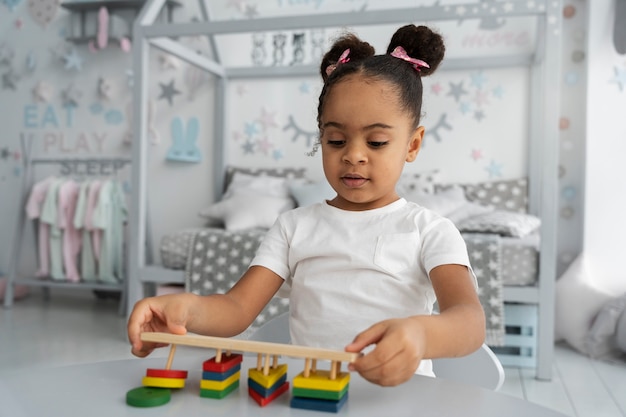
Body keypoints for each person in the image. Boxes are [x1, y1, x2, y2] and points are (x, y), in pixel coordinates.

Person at [127, 24, 485, 387]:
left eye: (376, 142)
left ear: (412, 144)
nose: (354, 155)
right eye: (336, 140)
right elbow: (235, 310)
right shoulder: (294, 227)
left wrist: (421, 335)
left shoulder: (430, 231)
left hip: (399, 401)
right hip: (311, 397)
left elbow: (470, 322)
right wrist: (184, 308)